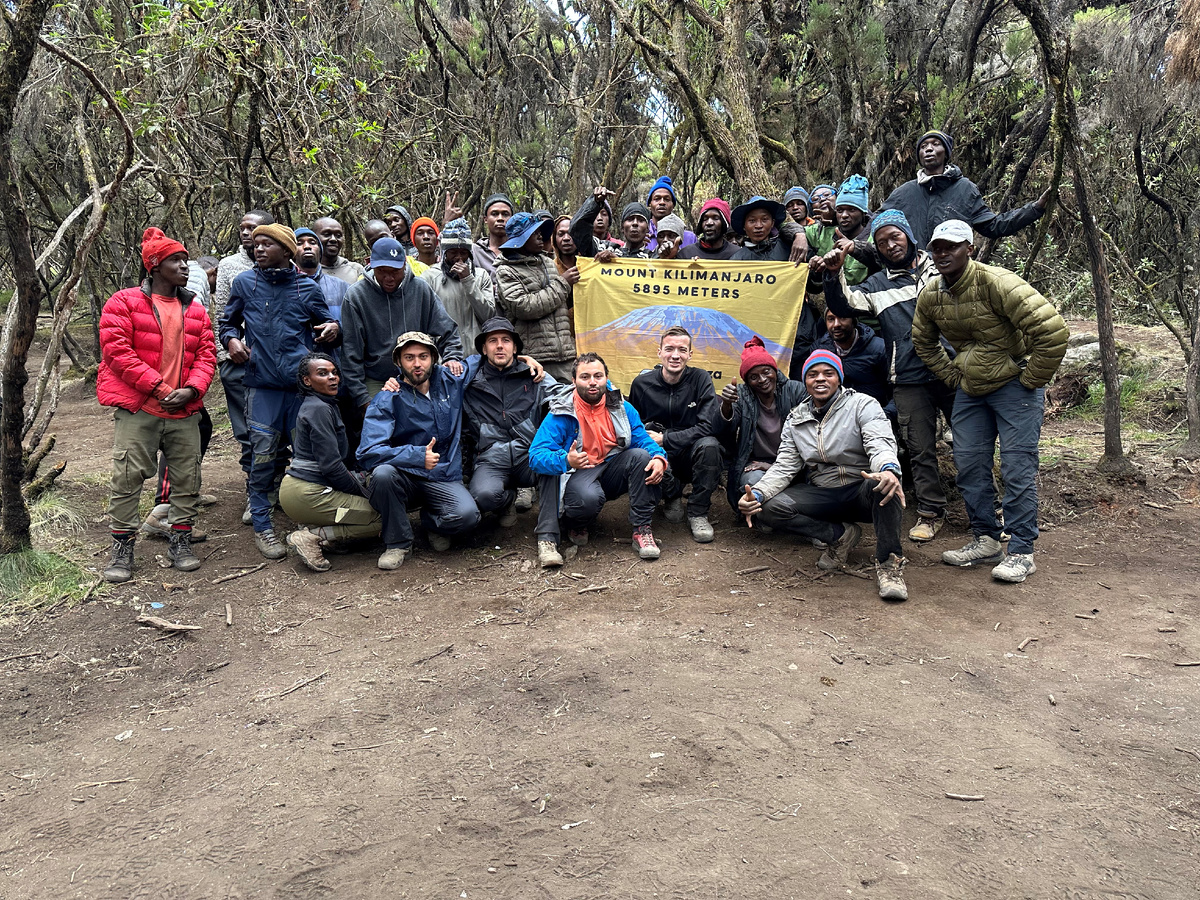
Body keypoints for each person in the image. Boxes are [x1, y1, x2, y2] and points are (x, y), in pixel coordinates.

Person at [912, 219, 1068, 583]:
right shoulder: (932, 293)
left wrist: (1030, 379)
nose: (943, 253)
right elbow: (923, 341)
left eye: (951, 246)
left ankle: (1022, 551)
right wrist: (953, 376)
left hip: (1015, 386)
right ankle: (985, 539)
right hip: (971, 389)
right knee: (969, 466)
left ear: (971, 248)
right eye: (937, 247)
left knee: (1016, 467)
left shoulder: (997, 282)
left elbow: (1053, 331)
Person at [737, 350, 909, 602]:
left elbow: (879, 441)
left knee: (886, 483)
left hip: (861, 490)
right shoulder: (796, 418)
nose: (820, 379)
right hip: (824, 495)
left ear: (838, 378)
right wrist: (758, 494)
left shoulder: (862, 404)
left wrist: (887, 468)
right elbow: (784, 466)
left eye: (828, 373)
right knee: (769, 506)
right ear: (804, 381)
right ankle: (839, 536)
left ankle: (889, 563)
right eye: (812, 374)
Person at [824, 208, 950, 542]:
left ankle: (990, 510)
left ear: (908, 235)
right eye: (881, 242)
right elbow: (846, 304)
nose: (890, 245)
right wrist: (833, 275)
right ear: (876, 250)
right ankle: (929, 512)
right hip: (909, 377)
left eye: (894, 236)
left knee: (972, 444)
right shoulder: (877, 286)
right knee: (919, 448)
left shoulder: (940, 267)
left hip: (955, 371)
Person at [97, 228, 216, 582]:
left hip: (184, 411)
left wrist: (193, 390)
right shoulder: (123, 302)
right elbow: (117, 351)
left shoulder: (194, 307)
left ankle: (180, 542)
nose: (184, 266)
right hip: (140, 408)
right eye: (175, 260)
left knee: (187, 478)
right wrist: (160, 387)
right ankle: (122, 549)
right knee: (127, 477)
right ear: (154, 266)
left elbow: (207, 355)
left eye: (184, 260)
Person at [218, 223, 340, 559]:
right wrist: (231, 341)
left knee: (306, 459)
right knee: (262, 458)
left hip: (301, 391)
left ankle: (306, 524)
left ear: (287, 251)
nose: (258, 249)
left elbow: (327, 325)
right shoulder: (245, 283)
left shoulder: (306, 287)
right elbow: (228, 322)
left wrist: (333, 328)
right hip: (263, 387)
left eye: (267, 244)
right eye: (255, 244)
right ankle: (263, 526)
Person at [358, 332, 482, 568]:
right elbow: (368, 451)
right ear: (398, 362)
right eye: (409, 357)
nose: (417, 364)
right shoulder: (389, 397)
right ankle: (398, 543)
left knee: (467, 517)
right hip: (407, 477)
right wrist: (416, 456)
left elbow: (487, 357)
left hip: (444, 476)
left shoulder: (451, 379)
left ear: (433, 357)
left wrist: (527, 360)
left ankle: (430, 521)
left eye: (423, 356)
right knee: (383, 474)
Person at [529, 352, 668, 561]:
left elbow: (642, 438)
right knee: (587, 499)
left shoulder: (621, 407)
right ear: (574, 380)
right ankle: (576, 523)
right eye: (585, 377)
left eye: (598, 376)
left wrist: (659, 457)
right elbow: (536, 455)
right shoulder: (561, 411)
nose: (592, 382)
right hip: (579, 473)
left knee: (641, 456)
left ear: (606, 377)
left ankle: (642, 529)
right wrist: (566, 460)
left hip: (611, 468)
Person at [462, 317, 560, 562]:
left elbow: (564, 396)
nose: (499, 346)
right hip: (491, 458)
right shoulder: (468, 381)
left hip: (528, 454)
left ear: (515, 347)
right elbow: (434, 374)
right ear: (483, 349)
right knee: (483, 496)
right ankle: (507, 500)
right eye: (492, 341)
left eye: (506, 340)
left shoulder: (534, 376)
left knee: (550, 466)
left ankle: (547, 536)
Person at [279, 353, 381, 572]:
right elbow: (331, 467)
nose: (332, 378)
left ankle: (321, 527)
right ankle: (313, 536)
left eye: (334, 373)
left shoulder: (324, 404)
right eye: (323, 374)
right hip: (306, 493)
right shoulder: (319, 409)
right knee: (383, 517)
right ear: (307, 380)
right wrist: (362, 493)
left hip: (305, 489)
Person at [340, 237, 465, 411]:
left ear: (405, 266)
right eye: (382, 271)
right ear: (372, 266)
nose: (389, 277)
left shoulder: (420, 289)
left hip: (417, 373)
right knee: (380, 426)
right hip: (377, 377)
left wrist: (452, 357)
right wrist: (362, 399)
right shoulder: (356, 296)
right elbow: (351, 352)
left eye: (395, 271)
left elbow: (447, 330)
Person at [628, 326, 722, 543]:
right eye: (669, 349)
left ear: (690, 354)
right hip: (656, 452)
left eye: (682, 349)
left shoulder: (700, 379)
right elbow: (633, 427)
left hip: (689, 450)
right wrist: (656, 443)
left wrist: (666, 438)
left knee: (710, 445)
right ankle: (671, 496)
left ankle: (698, 512)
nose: (675, 355)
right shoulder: (642, 384)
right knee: (640, 452)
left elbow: (708, 426)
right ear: (659, 352)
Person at [882, 129, 1051, 248]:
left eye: (935, 144)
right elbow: (876, 223)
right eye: (923, 146)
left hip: (951, 274)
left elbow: (994, 226)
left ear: (946, 153)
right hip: (912, 276)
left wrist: (1035, 209)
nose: (929, 149)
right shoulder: (904, 193)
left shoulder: (964, 189)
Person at [213, 209, 273, 493]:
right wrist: (225, 353)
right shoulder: (229, 265)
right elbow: (223, 315)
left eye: (254, 228)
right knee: (247, 429)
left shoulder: (285, 261)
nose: (247, 233)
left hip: (275, 363)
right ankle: (255, 489)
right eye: (243, 228)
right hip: (239, 362)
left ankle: (276, 484)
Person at [715, 336, 808, 514]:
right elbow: (723, 430)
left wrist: (775, 467)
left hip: (794, 463)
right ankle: (763, 518)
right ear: (748, 381)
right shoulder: (742, 395)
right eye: (754, 377)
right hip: (758, 463)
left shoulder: (796, 390)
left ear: (774, 370)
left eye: (766, 372)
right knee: (753, 480)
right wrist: (726, 404)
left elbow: (811, 432)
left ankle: (777, 516)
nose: (763, 379)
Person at [495, 212, 578, 382]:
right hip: (535, 358)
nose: (541, 236)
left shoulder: (548, 262)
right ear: (521, 240)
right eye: (534, 233)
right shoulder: (506, 271)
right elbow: (525, 307)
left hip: (565, 356)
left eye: (540, 231)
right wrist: (563, 284)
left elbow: (560, 301)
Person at [421, 217, 496, 351]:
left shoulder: (481, 276)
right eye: (453, 252)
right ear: (444, 253)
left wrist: (468, 280)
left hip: (477, 355)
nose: (458, 258)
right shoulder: (430, 277)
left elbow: (488, 316)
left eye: (463, 253)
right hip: (445, 356)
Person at [813, 307, 891, 411]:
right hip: (834, 417)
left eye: (843, 318)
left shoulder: (879, 349)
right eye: (831, 319)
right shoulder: (819, 350)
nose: (836, 324)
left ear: (854, 320)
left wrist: (884, 416)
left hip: (872, 415)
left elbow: (896, 390)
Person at [571, 187, 654, 260]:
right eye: (630, 219)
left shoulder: (654, 258)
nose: (635, 223)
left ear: (647, 228)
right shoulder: (604, 248)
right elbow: (577, 231)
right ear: (622, 227)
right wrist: (595, 203)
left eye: (640, 220)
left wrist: (618, 261)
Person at [294, 228, 349, 313]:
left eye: (312, 243)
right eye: (299, 243)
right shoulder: (283, 287)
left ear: (320, 251)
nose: (307, 247)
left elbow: (353, 320)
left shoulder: (342, 287)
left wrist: (338, 325)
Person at [731, 196, 791, 262]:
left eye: (764, 219)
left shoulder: (788, 249)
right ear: (744, 226)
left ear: (772, 223)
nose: (758, 226)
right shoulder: (737, 260)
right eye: (752, 220)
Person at [472, 193, 514, 287]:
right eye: (494, 214)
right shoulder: (474, 252)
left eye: (505, 214)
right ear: (485, 219)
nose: (500, 218)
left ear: (512, 219)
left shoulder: (521, 251)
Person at [645, 176, 696, 251]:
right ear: (650, 204)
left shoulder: (689, 238)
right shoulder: (642, 237)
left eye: (667, 199)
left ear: (673, 206)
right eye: (657, 199)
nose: (662, 202)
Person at [311, 217, 365, 284]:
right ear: (314, 238)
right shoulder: (305, 270)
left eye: (338, 235)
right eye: (327, 234)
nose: (333, 239)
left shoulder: (356, 270)